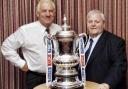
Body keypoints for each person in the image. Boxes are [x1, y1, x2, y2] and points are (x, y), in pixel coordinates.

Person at [1, 0, 62, 89]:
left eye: (51, 11)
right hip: (35, 78)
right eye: (44, 11)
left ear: (54, 13)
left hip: (57, 77)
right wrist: (21, 64)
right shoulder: (25, 30)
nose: (48, 14)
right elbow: (6, 47)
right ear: (37, 14)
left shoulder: (59, 29)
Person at [82, 10, 127, 89]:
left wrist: (107, 84)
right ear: (87, 24)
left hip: (102, 86)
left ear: (103, 24)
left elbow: (119, 66)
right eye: (90, 21)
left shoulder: (116, 42)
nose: (93, 24)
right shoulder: (81, 40)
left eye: (97, 22)